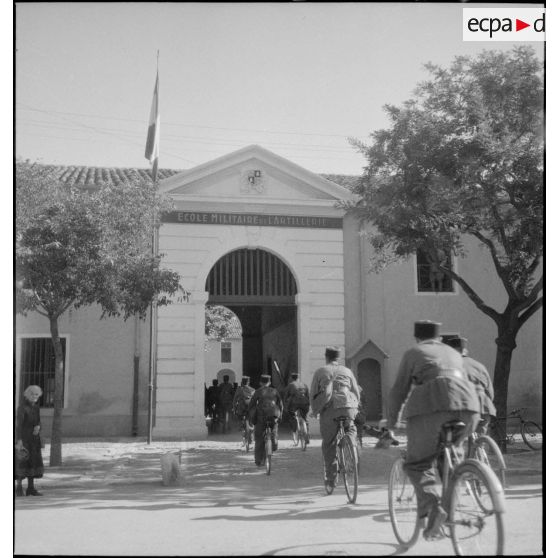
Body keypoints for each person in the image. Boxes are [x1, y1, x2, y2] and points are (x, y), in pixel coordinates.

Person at [385, 321, 480, 541]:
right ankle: (447, 517)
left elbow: (399, 390)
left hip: (431, 405)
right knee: (452, 465)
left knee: (417, 463)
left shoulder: (414, 352)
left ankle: (435, 510)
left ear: (417, 337)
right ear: (438, 337)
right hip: (468, 407)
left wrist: (392, 422)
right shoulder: (452, 352)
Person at [310, 346, 360, 492]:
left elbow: (313, 393)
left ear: (326, 357)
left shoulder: (321, 371)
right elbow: (356, 392)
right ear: (338, 358)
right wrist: (355, 409)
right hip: (348, 405)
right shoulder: (347, 371)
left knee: (329, 443)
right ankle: (350, 440)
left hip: (330, 410)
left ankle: (331, 481)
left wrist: (315, 410)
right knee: (351, 428)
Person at [442, 335, 496, 435]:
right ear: (465, 350)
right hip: (485, 407)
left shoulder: (449, 366)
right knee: (480, 439)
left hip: (463, 408)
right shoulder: (479, 366)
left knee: (454, 438)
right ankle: (481, 448)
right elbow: (490, 392)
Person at [247, 374, 283, 467]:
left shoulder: (258, 391)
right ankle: (274, 444)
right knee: (274, 431)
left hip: (261, 418)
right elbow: (281, 405)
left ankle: (259, 461)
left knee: (259, 438)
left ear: (260, 382)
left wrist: (251, 416)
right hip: (273, 416)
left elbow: (251, 405)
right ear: (270, 382)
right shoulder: (275, 391)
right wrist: (279, 416)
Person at [15, 385, 45, 496]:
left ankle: (30, 488)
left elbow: (38, 421)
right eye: (32, 394)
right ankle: (18, 488)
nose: (34, 396)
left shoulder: (36, 407)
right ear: (27, 395)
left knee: (33, 463)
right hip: (24, 439)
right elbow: (18, 425)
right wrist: (18, 440)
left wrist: (38, 427)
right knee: (22, 462)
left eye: (36, 394)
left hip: (34, 440)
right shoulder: (22, 408)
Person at [282, 372, 311, 445]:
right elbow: (308, 396)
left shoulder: (291, 385)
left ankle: (295, 429)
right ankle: (307, 434)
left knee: (291, 415)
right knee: (305, 418)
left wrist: (285, 404)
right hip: (305, 403)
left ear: (291, 378)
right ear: (299, 378)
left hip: (294, 404)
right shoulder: (304, 385)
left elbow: (285, 396)